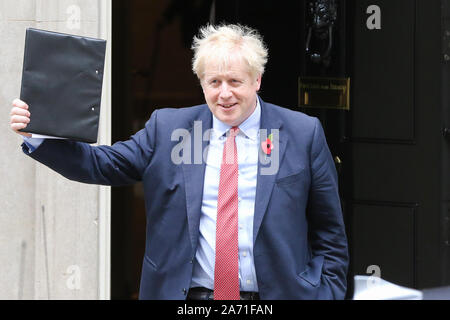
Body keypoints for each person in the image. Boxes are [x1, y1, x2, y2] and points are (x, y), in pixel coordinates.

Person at [9, 24, 348, 300]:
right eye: (214, 82)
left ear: (256, 81)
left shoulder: (303, 134)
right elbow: (102, 163)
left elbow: (330, 233)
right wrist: (38, 134)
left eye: (235, 82)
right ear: (201, 83)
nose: (224, 94)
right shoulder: (167, 129)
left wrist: (328, 294)